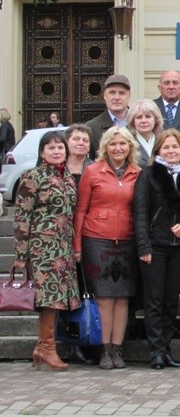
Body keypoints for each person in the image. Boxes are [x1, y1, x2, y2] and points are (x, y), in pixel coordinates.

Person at [73, 126, 141, 369]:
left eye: (123, 144)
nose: (118, 148)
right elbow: (80, 210)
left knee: (122, 298)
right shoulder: (92, 171)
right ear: (105, 147)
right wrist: (77, 245)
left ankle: (117, 348)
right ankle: (104, 350)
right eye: (113, 144)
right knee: (103, 297)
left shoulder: (138, 173)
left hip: (127, 240)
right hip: (96, 239)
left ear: (130, 147)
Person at [14, 131, 80, 371]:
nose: (56, 151)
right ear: (42, 152)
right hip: (42, 246)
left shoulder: (68, 178)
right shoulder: (32, 176)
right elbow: (22, 217)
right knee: (49, 297)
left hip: (63, 246)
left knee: (57, 297)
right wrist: (21, 255)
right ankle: (47, 348)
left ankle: (43, 346)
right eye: (50, 148)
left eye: (60, 147)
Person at [133, 129, 180, 370]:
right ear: (158, 150)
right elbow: (140, 212)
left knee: (171, 301)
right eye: (166, 147)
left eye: (175, 147)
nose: (171, 151)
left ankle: (167, 349)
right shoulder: (149, 174)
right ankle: (155, 351)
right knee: (155, 300)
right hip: (155, 246)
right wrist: (143, 245)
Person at [61, 124, 95, 365]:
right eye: (76, 139)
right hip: (60, 238)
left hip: (89, 235)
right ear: (67, 142)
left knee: (84, 289)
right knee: (65, 292)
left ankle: (86, 340)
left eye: (85, 139)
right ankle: (69, 344)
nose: (81, 143)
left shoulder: (94, 169)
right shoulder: (57, 170)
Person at [86, 74, 131, 155]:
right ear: (105, 96)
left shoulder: (141, 124)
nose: (116, 97)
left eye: (122, 93)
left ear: (129, 96)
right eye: (112, 93)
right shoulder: (91, 128)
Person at [128, 99, 164, 167]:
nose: (144, 121)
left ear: (155, 120)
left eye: (148, 116)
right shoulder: (128, 143)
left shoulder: (163, 140)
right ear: (133, 122)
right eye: (139, 117)